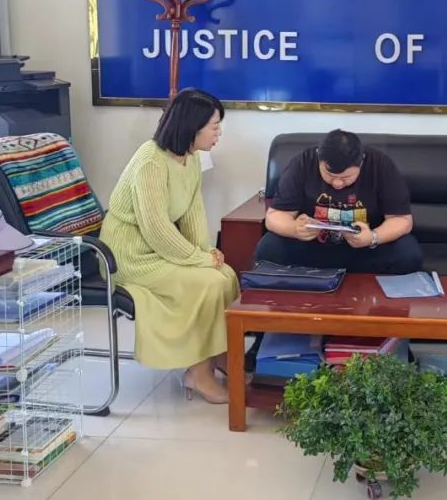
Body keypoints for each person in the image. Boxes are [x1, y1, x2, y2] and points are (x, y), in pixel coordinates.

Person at [100, 88, 237, 405]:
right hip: (129, 257)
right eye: (214, 126)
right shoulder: (150, 161)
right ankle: (198, 373)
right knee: (208, 283)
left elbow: (192, 212)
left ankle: (220, 357)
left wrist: (205, 251)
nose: (219, 133)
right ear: (192, 126)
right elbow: (156, 228)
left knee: (227, 275)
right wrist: (197, 259)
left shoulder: (192, 158)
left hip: (158, 250)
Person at [254, 129, 423, 274]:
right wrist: (294, 229)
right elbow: (274, 216)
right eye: (329, 175)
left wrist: (373, 237)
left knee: (408, 253)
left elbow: (402, 220)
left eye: (346, 177)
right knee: (269, 248)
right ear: (319, 158)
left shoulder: (380, 165)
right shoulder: (302, 163)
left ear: (361, 162)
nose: (337, 183)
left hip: (364, 248)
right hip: (313, 246)